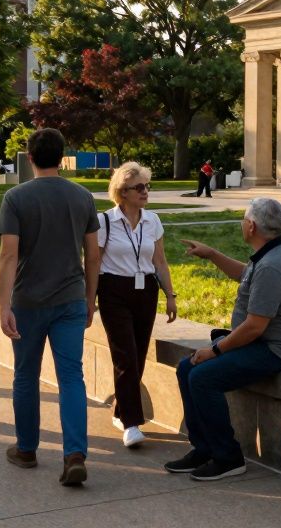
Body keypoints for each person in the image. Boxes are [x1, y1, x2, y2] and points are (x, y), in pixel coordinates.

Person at [167, 197, 281, 482]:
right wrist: (212, 254)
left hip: (275, 349)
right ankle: (204, 448)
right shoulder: (269, 253)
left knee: (203, 377)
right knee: (187, 368)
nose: (242, 223)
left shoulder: (272, 265)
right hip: (260, 342)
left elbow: (255, 326)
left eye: (244, 219)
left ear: (252, 226)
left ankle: (227, 457)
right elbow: (245, 275)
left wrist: (216, 350)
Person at [0, 128, 100, 486]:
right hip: (71, 298)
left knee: (26, 374)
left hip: (27, 301)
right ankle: (74, 454)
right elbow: (93, 254)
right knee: (71, 376)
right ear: (62, 156)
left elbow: (8, 255)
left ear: (29, 155)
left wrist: (3, 305)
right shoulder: (83, 196)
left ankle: (26, 449)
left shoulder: (15, 197)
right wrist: (90, 299)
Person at [97, 162, 178, 449]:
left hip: (146, 292)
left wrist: (170, 295)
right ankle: (132, 423)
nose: (145, 192)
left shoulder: (153, 220)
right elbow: (93, 262)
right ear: (123, 192)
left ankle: (121, 409)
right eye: (139, 187)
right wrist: (88, 299)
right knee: (125, 355)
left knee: (139, 354)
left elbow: (160, 262)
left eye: (147, 186)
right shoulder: (105, 221)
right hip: (113, 291)